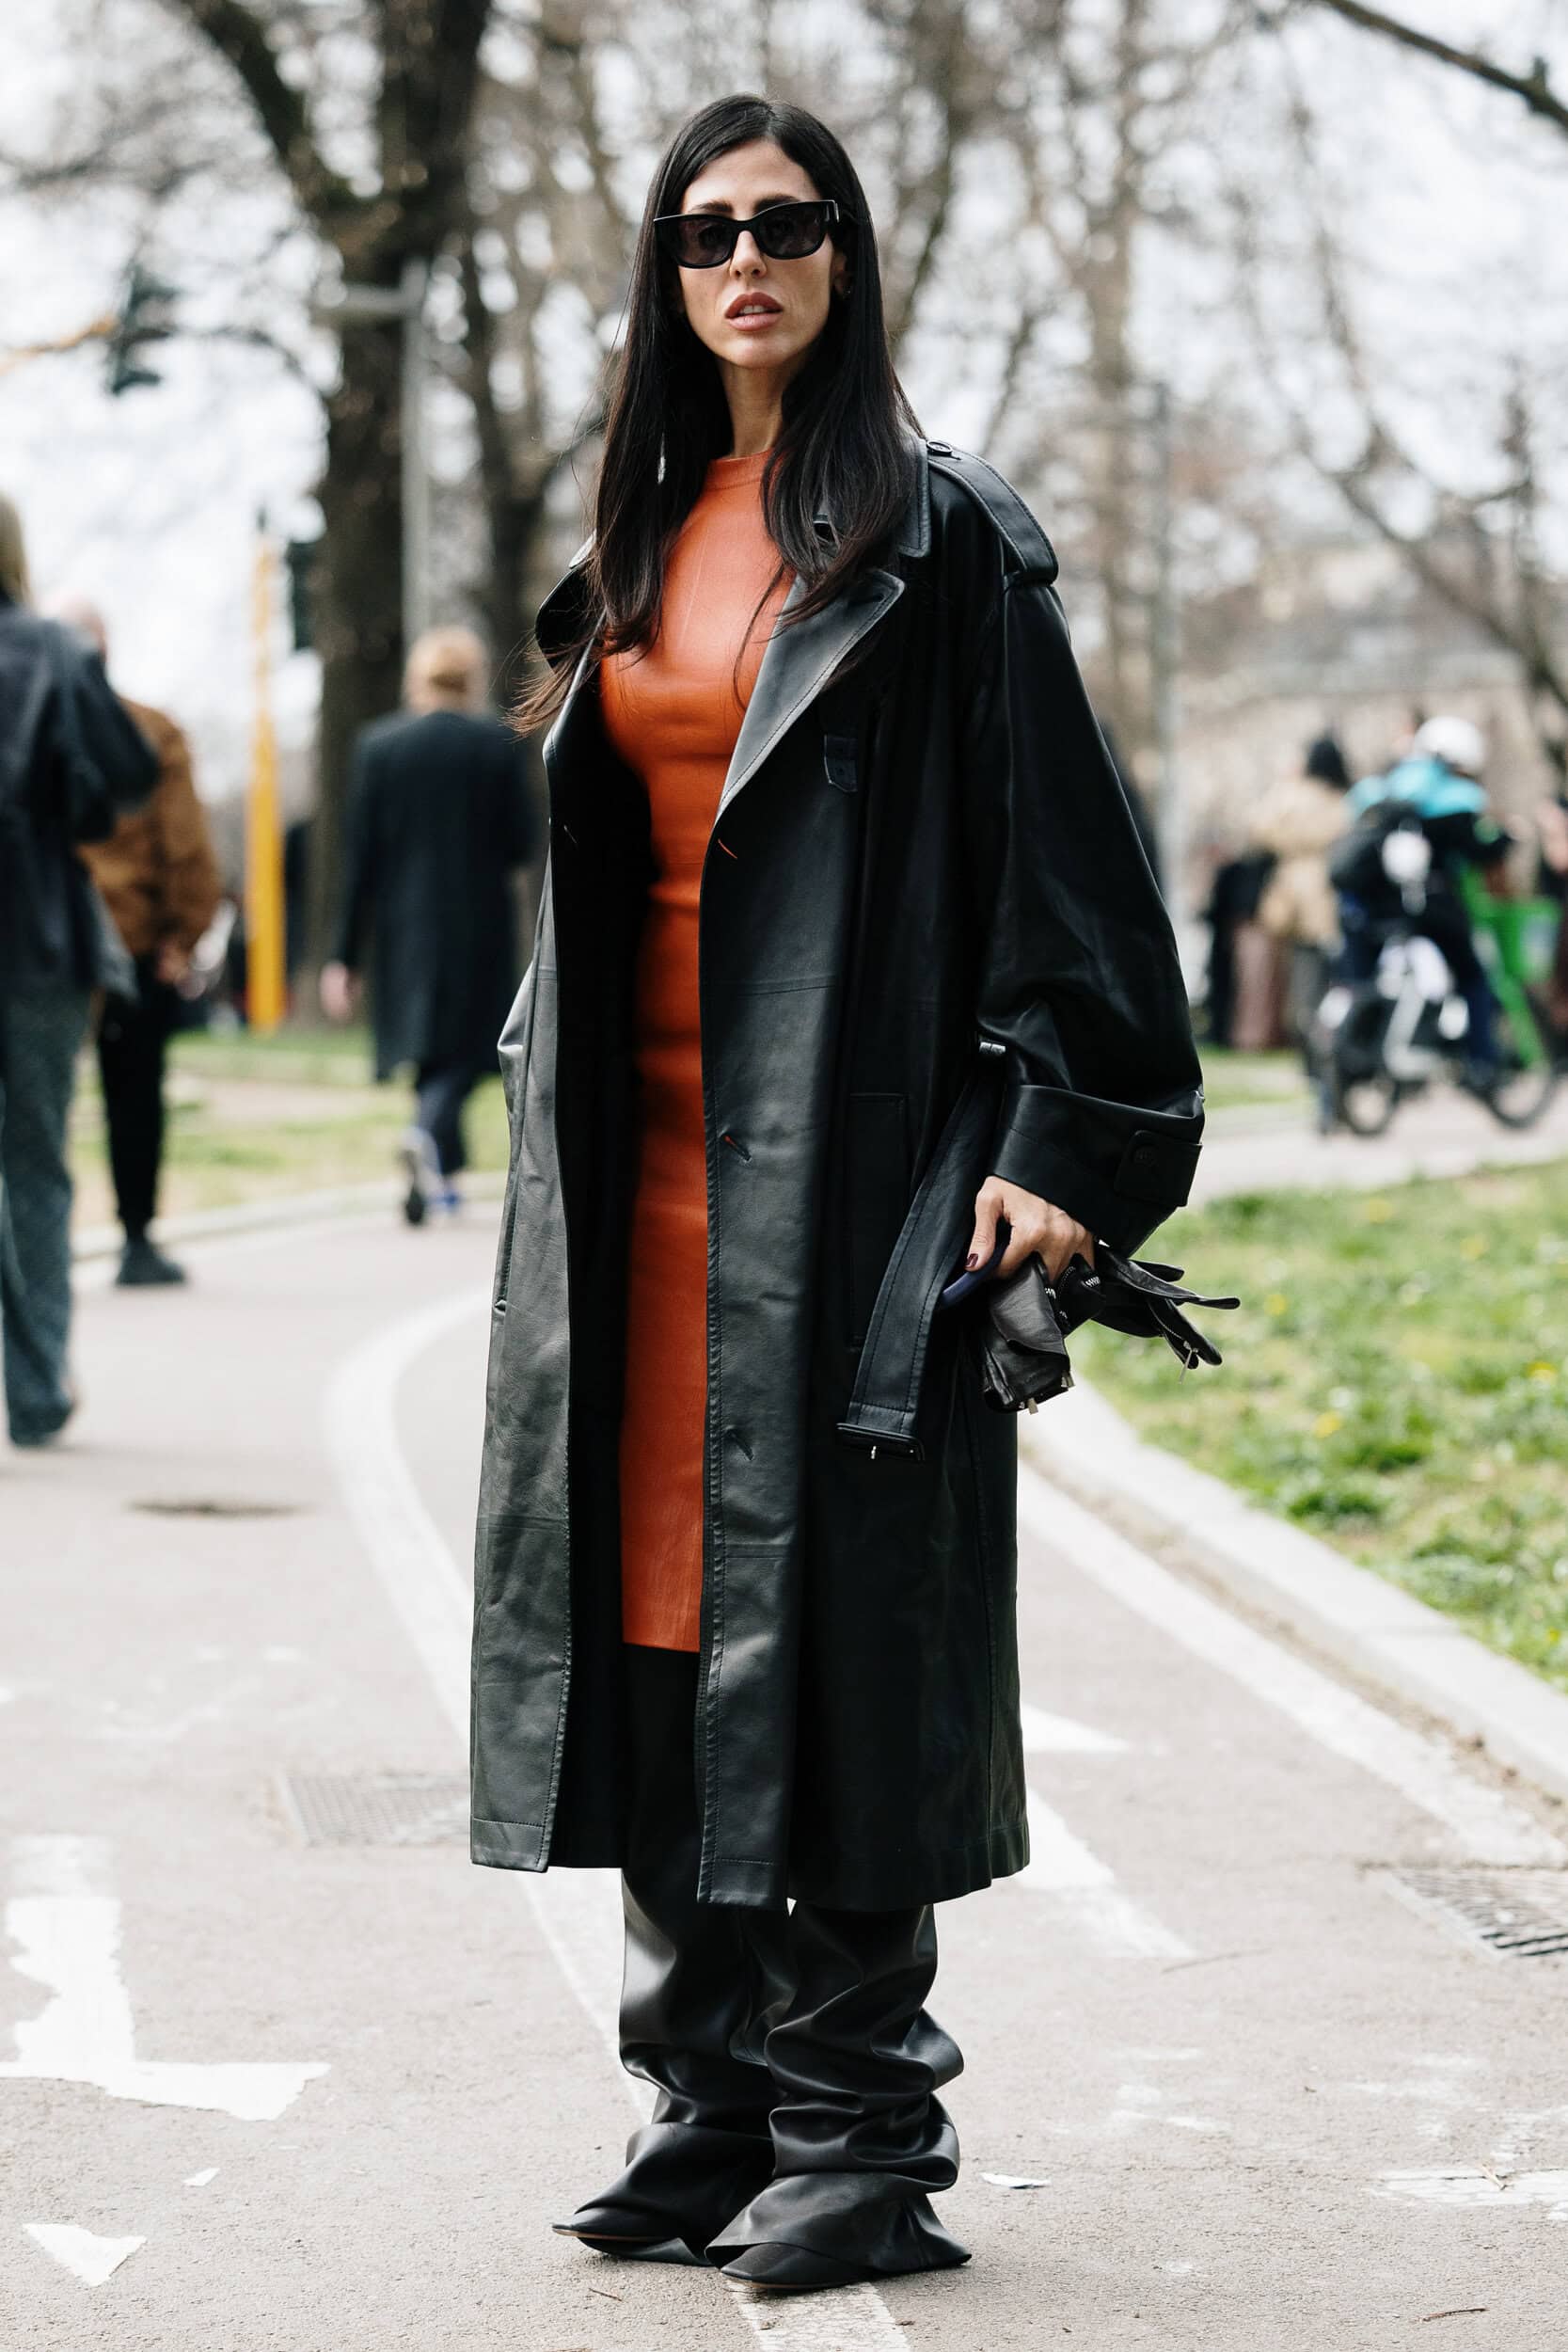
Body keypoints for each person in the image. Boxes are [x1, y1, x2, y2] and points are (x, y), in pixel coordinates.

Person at [471, 96, 1204, 2295]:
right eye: (705, 231)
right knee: (655, 1615)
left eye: (787, 225)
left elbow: (1078, 874)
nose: (746, 260)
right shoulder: (632, 532)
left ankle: (863, 2129)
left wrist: (1066, 1145)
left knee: (845, 1648)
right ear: (664, 272)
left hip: (852, 1180)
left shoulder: (934, 542)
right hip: (629, 1196)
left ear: (846, 258)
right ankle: (706, 2098)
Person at [0, 497, 157, 1445]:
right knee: (35, 1161)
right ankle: (36, 1382)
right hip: (37, 936)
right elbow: (129, 769)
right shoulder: (53, 651)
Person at [320, 625, 534, 1220]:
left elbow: (360, 859)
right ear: (471, 678)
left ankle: (440, 1172)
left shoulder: (379, 747)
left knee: (430, 1047)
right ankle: (426, 1137)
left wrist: (344, 956)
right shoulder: (495, 744)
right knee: (467, 1048)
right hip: (476, 919)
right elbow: (519, 841)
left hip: (402, 924)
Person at [55, 600, 222, 1287]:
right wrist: (183, 932)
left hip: (42, 940)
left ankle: (36, 1247)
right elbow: (184, 844)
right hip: (132, 940)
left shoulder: (26, 721)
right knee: (133, 1096)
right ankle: (135, 1239)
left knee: (35, 1102)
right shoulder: (151, 731)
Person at [1336, 714, 1510, 1082]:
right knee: (1473, 975)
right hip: (1426, 904)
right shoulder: (1455, 797)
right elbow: (1478, 850)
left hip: (1373, 907)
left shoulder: (1385, 784)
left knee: (1363, 979)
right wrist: (1505, 840)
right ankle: (1483, 1062)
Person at [1250, 732, 1353, 1041]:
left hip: (1291, 892)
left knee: (1300, 967)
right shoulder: (1340, 800)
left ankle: (1304, 1027)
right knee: (1324, 965)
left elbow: (1260, 827)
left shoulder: (1291, 796)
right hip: (1326, 890)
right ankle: (1320, 1030)